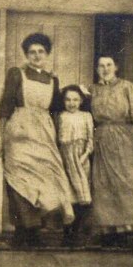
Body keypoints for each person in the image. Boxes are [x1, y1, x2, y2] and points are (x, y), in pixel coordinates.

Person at [0, 32, 74, 248]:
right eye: (32, 52)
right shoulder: (16, 74)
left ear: (47, 54)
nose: (37, 55)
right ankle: (23, 231)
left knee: (45, 180)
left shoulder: (53, 80)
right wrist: (3, 139)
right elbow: (5, 107)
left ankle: (38, 228)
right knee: (19, 181)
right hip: (19, 132)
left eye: (41, 51)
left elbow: (59, 109)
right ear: (26, 55)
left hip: (44, 134)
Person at [90, 55, 133, 246]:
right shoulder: (91, 90)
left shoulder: (128, 87)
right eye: (101, 65)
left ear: (116, 67)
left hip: (124, 139)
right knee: (102, 185)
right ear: (96, 69)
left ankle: (123, 231)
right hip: (100, 139)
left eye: (109, 65)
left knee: (125, 183)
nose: (105, 69)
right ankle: (107, 232)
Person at [57, 85, 94, 246]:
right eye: (68, 100)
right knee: (67, 195)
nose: (71, 103)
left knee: (82, 196)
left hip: (81, 158)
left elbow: (91, 140)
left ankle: (77, 231)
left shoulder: (86, 116)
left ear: (81, 101)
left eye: (75, 100)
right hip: (64, 157)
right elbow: (57, 139)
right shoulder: (60, 116)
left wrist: (84, 156)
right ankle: (67, 233)